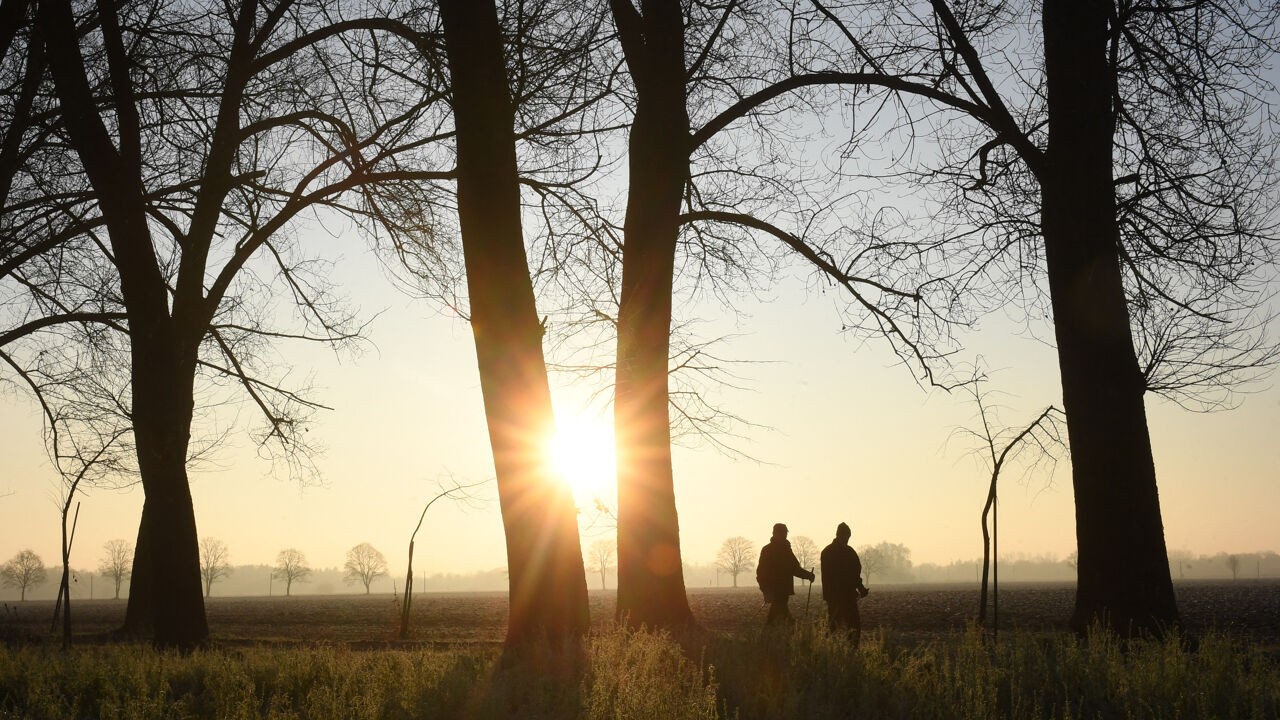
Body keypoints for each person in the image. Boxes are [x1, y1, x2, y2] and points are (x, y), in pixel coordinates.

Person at [756, 522, 816, 625]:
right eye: (783, 533)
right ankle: (789, 634)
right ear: (775, 534)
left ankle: (771, 636)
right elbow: (761, 572)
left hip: (782, 590)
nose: (785, 535)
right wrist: (766, 590)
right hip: (776, 590)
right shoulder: (769, 550)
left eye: (785, 533)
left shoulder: (785, 549)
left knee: (778, 615)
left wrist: (808, 575)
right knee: (778, 615)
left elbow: (794, 568)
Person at [820, 521, 870, 644]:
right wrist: (861, 589)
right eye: (847, 537)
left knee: (834, 625)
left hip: (833, 596)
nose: (847, 539)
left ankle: (826, 648)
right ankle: (851, 649)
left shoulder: (826, 552)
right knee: (853, 625)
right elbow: (854, 574)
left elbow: (828, 576)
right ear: (843, 535)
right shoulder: (849, 552)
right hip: (846, 596)